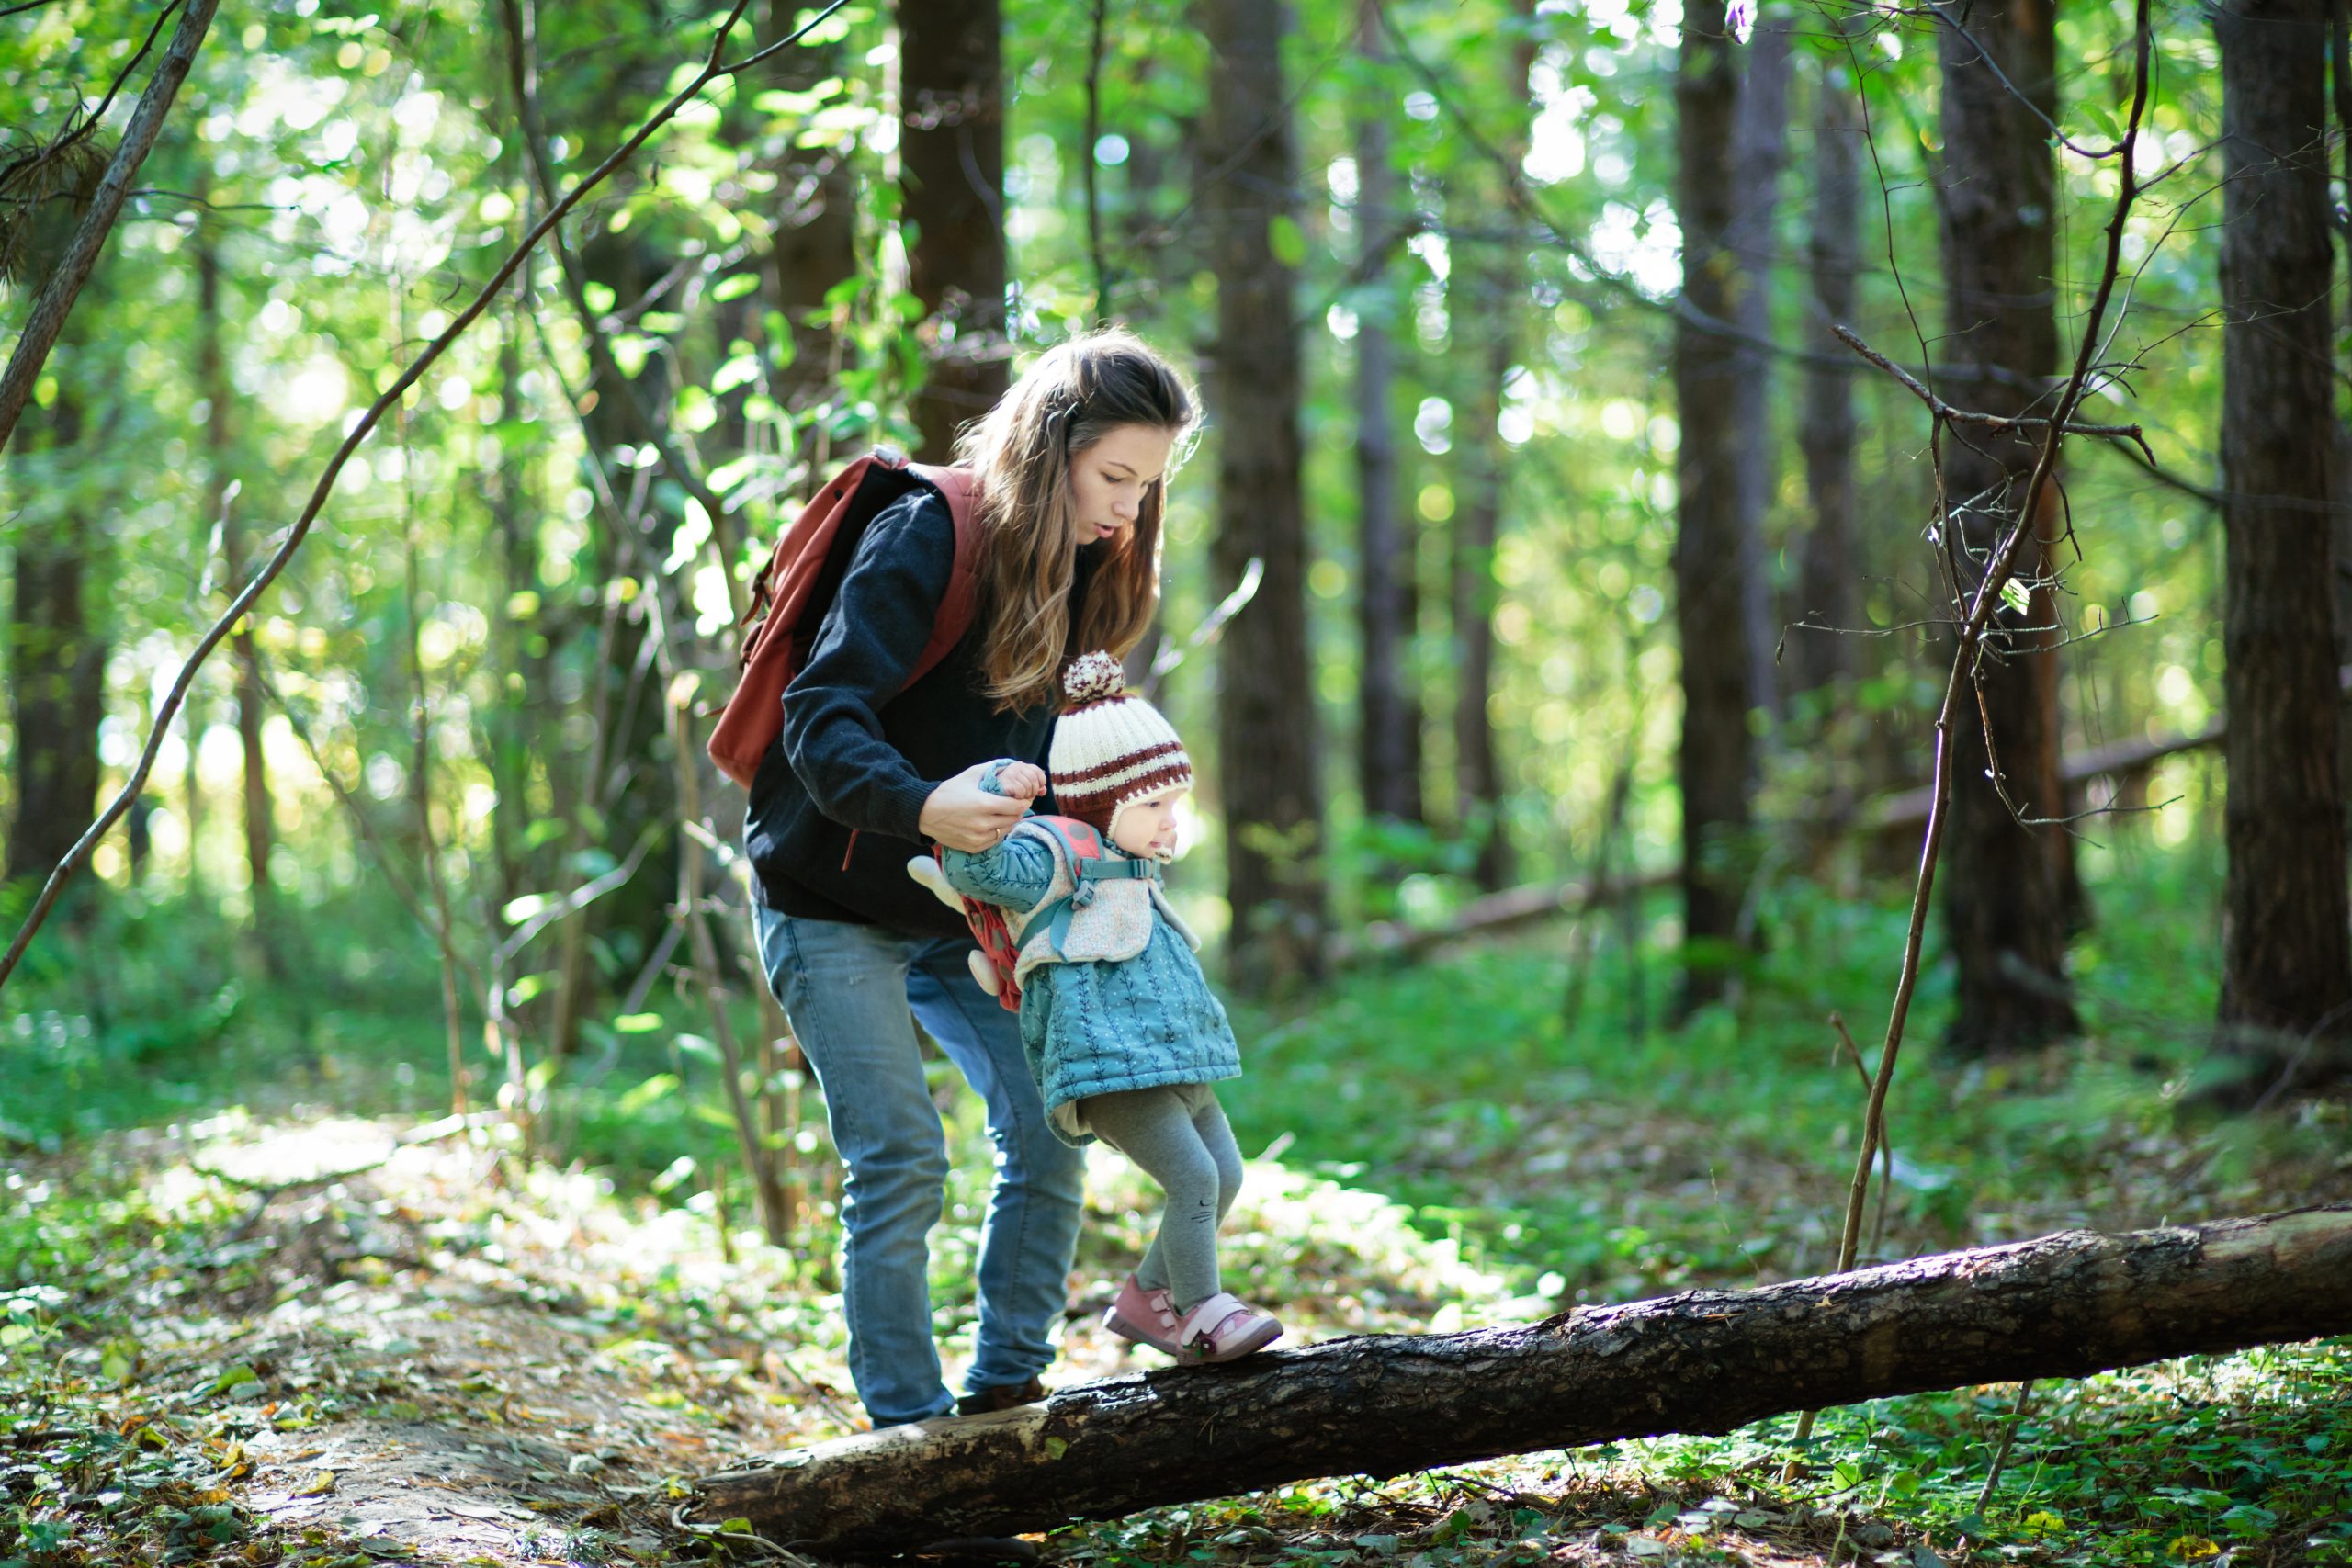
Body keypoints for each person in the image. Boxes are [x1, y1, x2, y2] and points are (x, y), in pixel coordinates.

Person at [744, 328, 1196, 1428]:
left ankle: (1004, 1400)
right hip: (832, 894)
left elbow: (1069, 761)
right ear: (1052, 450)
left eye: (1149, 489)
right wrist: (919, 803)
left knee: (1052, 1127)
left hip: (976, 907)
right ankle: (909, 1432)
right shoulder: (924, 531)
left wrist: (1128, 825)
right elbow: (821, 711)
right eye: (1114, 479)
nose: (1128, 512)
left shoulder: (1088, 569)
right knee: (901, 1156)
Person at [920, 652, 1283, 1366]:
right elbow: (976, 865)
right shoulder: (1057, 854)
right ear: (1098, 799)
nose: (1169, 820)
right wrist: (999, 787)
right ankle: (1199, 1312)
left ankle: (1145, 1299)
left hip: (1173, 1054)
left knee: (1227, 1174)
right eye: (1154, 805)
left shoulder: (1135, 865)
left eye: (1174, 803)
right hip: (1109, 1063)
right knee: (1195, 1179)